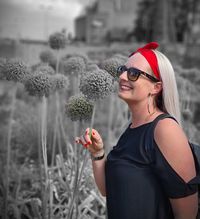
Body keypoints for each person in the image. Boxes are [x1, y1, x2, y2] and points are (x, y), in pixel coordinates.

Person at [75, 42, 199, 219]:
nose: (123, 76)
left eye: (133, 73)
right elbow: (108, 190)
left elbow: (187, 213)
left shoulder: (165, 130)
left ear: (156, 87)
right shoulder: (132, 128)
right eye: (123, 69)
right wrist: (98, 154)